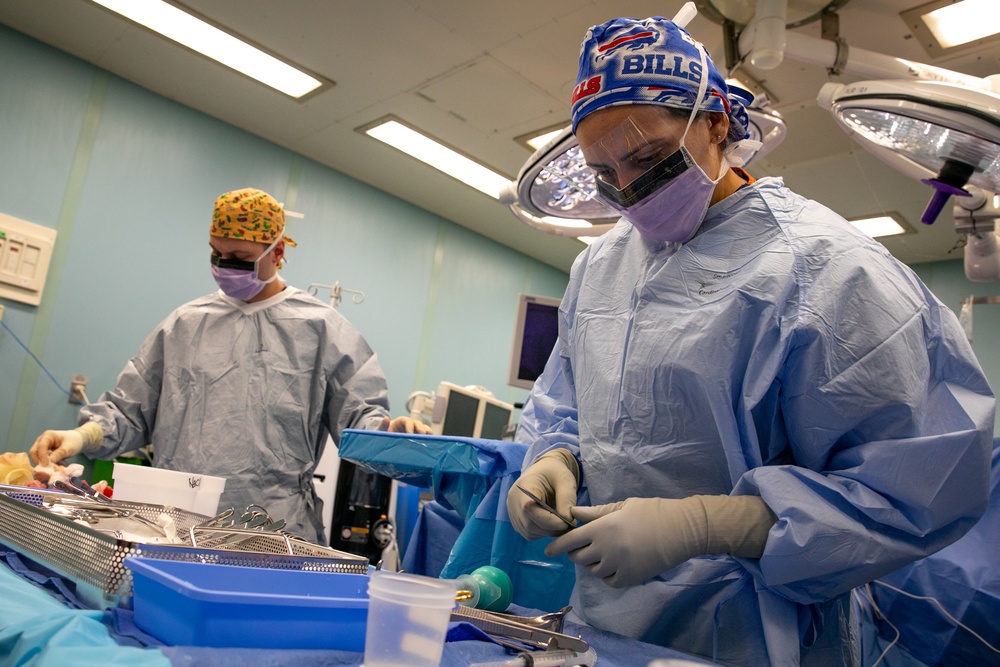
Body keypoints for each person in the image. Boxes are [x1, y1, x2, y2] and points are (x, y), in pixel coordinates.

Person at [506, 16, 995, 667]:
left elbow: (914, 488)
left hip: (758, 636)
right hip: (605, 629)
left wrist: (711, 524)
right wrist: (557, 457)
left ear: (715, 123)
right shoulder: (599, 268)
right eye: (603, 173)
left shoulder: (831, 269)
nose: (628, 189)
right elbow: (567, 400)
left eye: (649, 158)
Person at [30, 187, 429, 542]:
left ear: (278, 253)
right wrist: (78, 437)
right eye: (217, 255)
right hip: (172, 523)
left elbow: (360, 423)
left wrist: (393, 434)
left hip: (273, 532)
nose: (224, 267)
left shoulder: (321, 330)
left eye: (239, 258)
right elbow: (130, 410)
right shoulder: (186, 324)